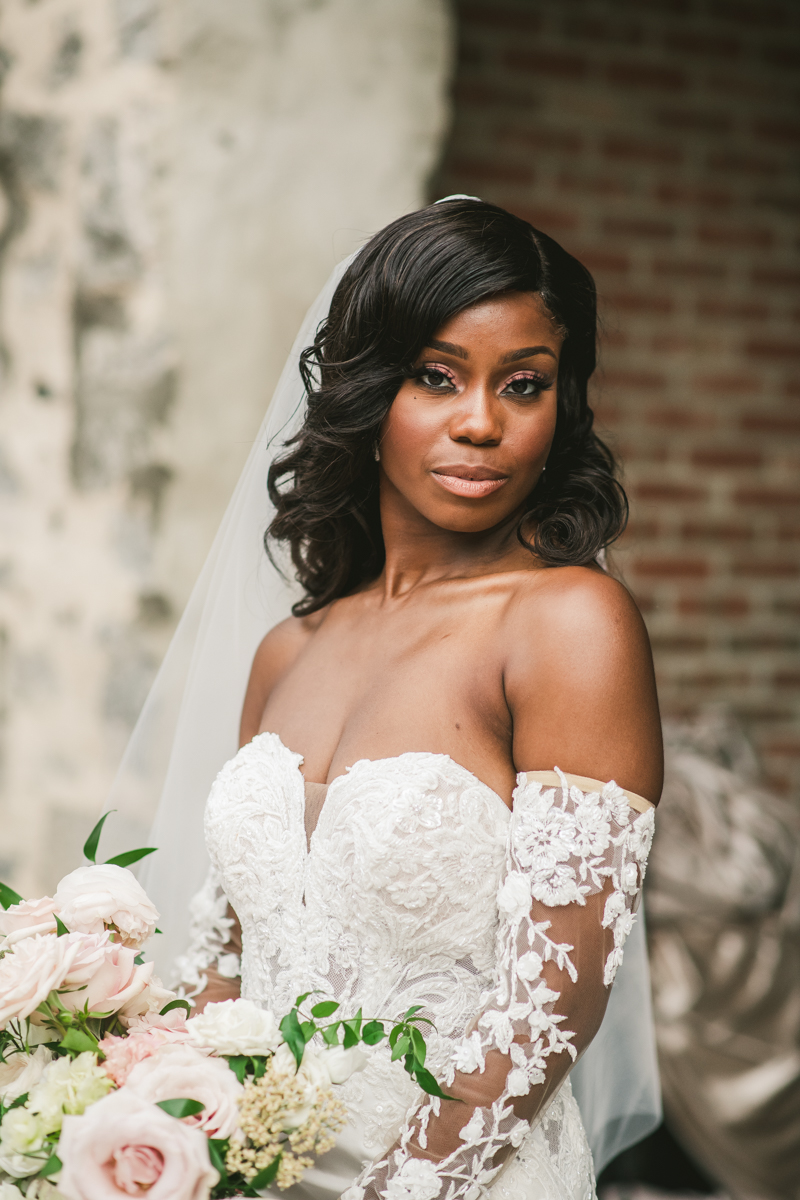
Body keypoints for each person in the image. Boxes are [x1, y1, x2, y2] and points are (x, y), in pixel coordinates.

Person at [128, 199, 663, 1198]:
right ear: (368, 391)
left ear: (562, 410)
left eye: (523, 385)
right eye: (435, 376)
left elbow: (547, 1007)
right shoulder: (285, 652)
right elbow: (222, 967)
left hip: (461, 1181)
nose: (479, 422)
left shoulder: (568, 625)